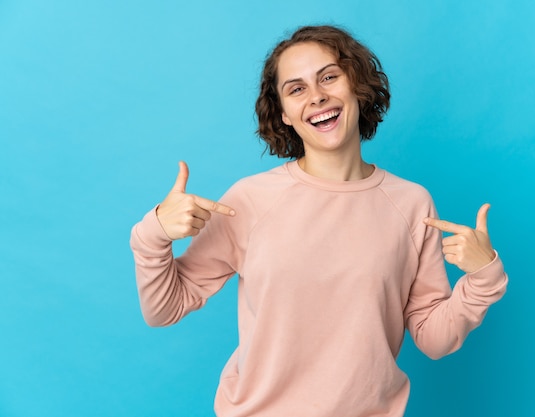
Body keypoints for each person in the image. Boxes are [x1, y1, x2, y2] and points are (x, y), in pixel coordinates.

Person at [130, 25, 508, 417]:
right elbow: (164, 309)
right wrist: (154, 233)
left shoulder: (410, 203)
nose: (317, 97)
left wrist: (483, 277)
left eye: (329, 77)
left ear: (357, 86)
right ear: (284, 115)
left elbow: (434, 338)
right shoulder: (251, 200)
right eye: (296, 89)